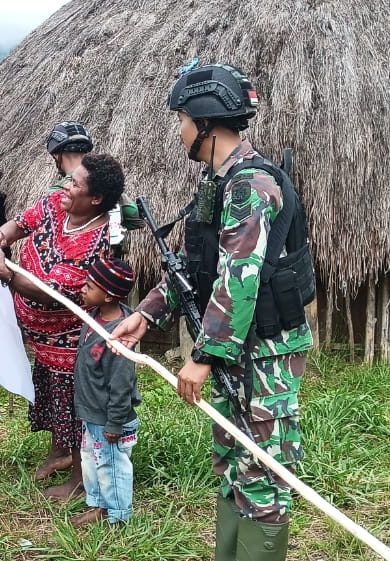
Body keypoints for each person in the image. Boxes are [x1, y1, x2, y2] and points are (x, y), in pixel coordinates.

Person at [110, 63, 313, 561]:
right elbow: (196, 270)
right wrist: (147, 313)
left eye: (182, 118)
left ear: (206, 122)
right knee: (231, 463)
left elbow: (239, 281)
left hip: (264, 353)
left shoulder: (251, 187)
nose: (179, 129)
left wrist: (202, 356)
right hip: (233, 352)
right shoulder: (215, 183)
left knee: (263, 472)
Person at [0, 153, 126, 500]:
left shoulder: (98, 241)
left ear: (95, 199)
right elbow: (20, 223)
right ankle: (60, 452)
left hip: (68, 340)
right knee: (51, 396)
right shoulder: (55, 205)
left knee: (74, 406)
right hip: (41, 338)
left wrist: (5, 272)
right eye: (69, 178)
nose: (66, 186)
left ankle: (79, 477)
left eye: (75, 184)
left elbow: (54, 295)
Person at [69, 256, 141, 527]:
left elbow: (121, 385)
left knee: (111, 466)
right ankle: (98, 505)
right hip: (92, 414)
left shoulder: (120, 337)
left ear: (109, 295)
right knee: (91, 460)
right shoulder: (94, 317)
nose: (83, 289)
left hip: (109, 419)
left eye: (90, 286)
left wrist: (115, 422)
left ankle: (119, 516)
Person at [44, 121, 144, 250]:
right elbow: (134, 217)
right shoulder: (104, 186)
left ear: (56, 155)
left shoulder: (57, 191)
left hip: (72, 263)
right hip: (107, 264)